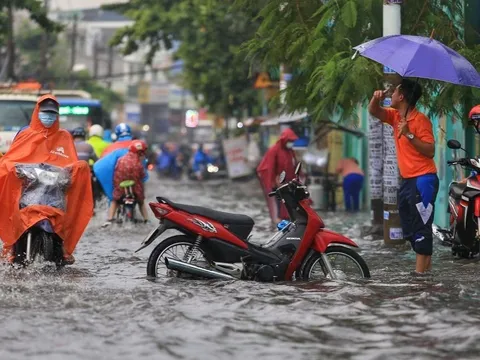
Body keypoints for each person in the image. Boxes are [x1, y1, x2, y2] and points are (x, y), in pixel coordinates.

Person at [0, 95, 93, 264]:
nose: (49, 117)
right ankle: (12, 247)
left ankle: (63, 249)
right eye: (45, 113)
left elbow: (71, 162)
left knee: (62, 223)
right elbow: (11, 158)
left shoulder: (64, 136)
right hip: (29, 189)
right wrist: (11, 167)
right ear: (37, 112)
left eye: (52, 113)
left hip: (54, 192)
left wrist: (78, 169)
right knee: (17, 218)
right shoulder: (25, 134)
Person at [368, 79, 438, 274]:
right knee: (409, 228)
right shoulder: (396, 116)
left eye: (395, 91)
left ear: (402, 97)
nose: (391, 94)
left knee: (421, 226)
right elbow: (375, 111)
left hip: (424, 179)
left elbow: (430, 150)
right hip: (408, 181)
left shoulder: (420, 120)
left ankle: (419, 276)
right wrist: (375, 99)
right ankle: (426, 271)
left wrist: (409, 134)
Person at [257, 128, 299, 225]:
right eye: (290, 141)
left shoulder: (290, 151)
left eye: (292, 141)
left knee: (289, 207)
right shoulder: (274, 150)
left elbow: (293, 166)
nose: (291, 143)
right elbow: (267, 168)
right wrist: (274, 181)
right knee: (278, 207)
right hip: (276, 185)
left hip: (287, 184)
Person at [103, 140, 149, 227]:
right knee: (141, 202)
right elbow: (142, 176)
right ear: (140, 153)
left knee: (114, 201)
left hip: (120, 189)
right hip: (135, 190)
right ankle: (147, 219)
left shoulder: (121, 159)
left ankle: (109, 219)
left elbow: (115, 175)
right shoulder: (138, 163)